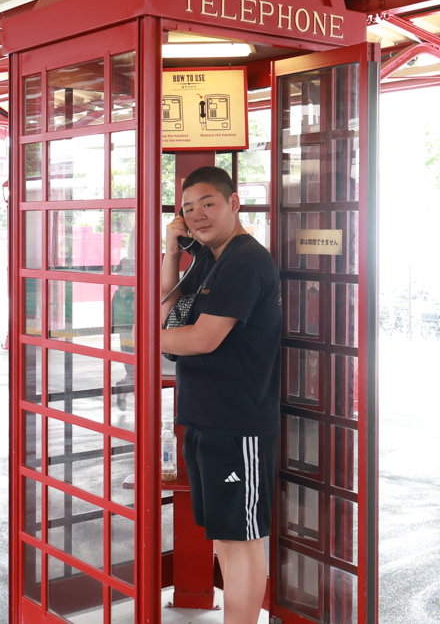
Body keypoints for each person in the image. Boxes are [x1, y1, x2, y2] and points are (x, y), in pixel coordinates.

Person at [160, 166, 281, 624]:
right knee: (224, 537)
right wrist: (172, 252)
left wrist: (141, 340)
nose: (197, 216)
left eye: (208, 203)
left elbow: (200, 338)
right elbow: (168, 314)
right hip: (206, 419)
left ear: (234, 203)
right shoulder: (212, 260)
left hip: (239, 426)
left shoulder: (246, 261)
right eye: (188, 210)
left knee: (242, 541)